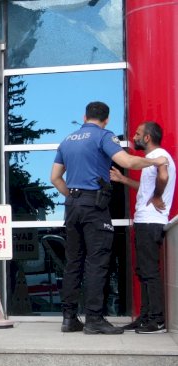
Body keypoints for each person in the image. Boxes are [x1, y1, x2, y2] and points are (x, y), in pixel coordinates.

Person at [50, 101, 168, 335]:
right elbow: (128, 162)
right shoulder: (104, 136)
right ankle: (94, 318)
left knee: (73, 262)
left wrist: (74, 197)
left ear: (84, 117)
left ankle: (69, 318)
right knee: (97, 261)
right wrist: (155, 161)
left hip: (71, 206)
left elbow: (55, 178)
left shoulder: (67, 139)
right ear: (106, 119)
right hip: (94, 207)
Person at [109, 121, 175, 334]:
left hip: (150, 222)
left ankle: (157, 320)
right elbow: (145, 187)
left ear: (147, 138)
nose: (134, 137)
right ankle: (146, 317)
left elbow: (163, 177)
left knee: (149, 271)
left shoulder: (159, 156)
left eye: (138, 134)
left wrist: (157, 196)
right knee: (143, 271)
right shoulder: (151, 159)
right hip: (146, 221)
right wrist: (122, 179)